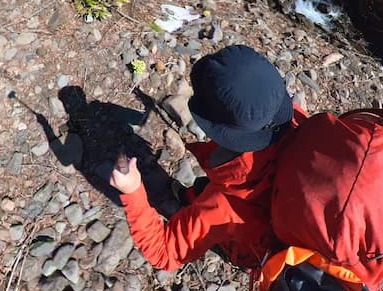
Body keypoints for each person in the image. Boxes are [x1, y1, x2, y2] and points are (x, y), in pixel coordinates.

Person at [109, 45, 308, 271]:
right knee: (207, 187)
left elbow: (164, 253)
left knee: (230, 234)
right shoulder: (299, 123)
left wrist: (132, 191)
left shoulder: (223, 206)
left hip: (262, 249)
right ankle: (192, 195)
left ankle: (236, 253)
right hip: (295, 221)